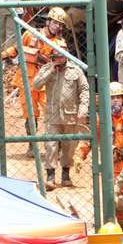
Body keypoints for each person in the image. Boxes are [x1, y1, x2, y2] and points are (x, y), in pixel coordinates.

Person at [81, 82, 123, 231]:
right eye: (112, 98)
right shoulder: (102, 120)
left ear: (122, 99)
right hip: (116, 166)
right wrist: (81, 155)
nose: (115, 101)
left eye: (118, 97)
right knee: (120, 201)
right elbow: (91, 138)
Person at [1, 7, 68, 155]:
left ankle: (57, 145)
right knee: (30, 113)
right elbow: (18, 48)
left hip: (48, 83)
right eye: (56, 22)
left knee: (52, 113)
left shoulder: (60, 43)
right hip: (27, 80)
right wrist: (4, 55)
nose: (58, 26)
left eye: (61, 24)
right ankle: (32, 145)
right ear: (48, 21)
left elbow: (63, 63)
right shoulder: (31, 34)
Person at [33, 48, 89, 190]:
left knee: (69, 146)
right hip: (52, 115)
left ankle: (65, 174)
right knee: (51, 145)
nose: (58, 59)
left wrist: (83, 110)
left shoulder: (75, 70)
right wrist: (51, 70)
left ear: (66, 57)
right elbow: (36, 85)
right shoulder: (47, 69)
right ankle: (50, 176)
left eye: (60, 57)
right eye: (55, 57)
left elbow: (84, 90)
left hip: (71, 115)